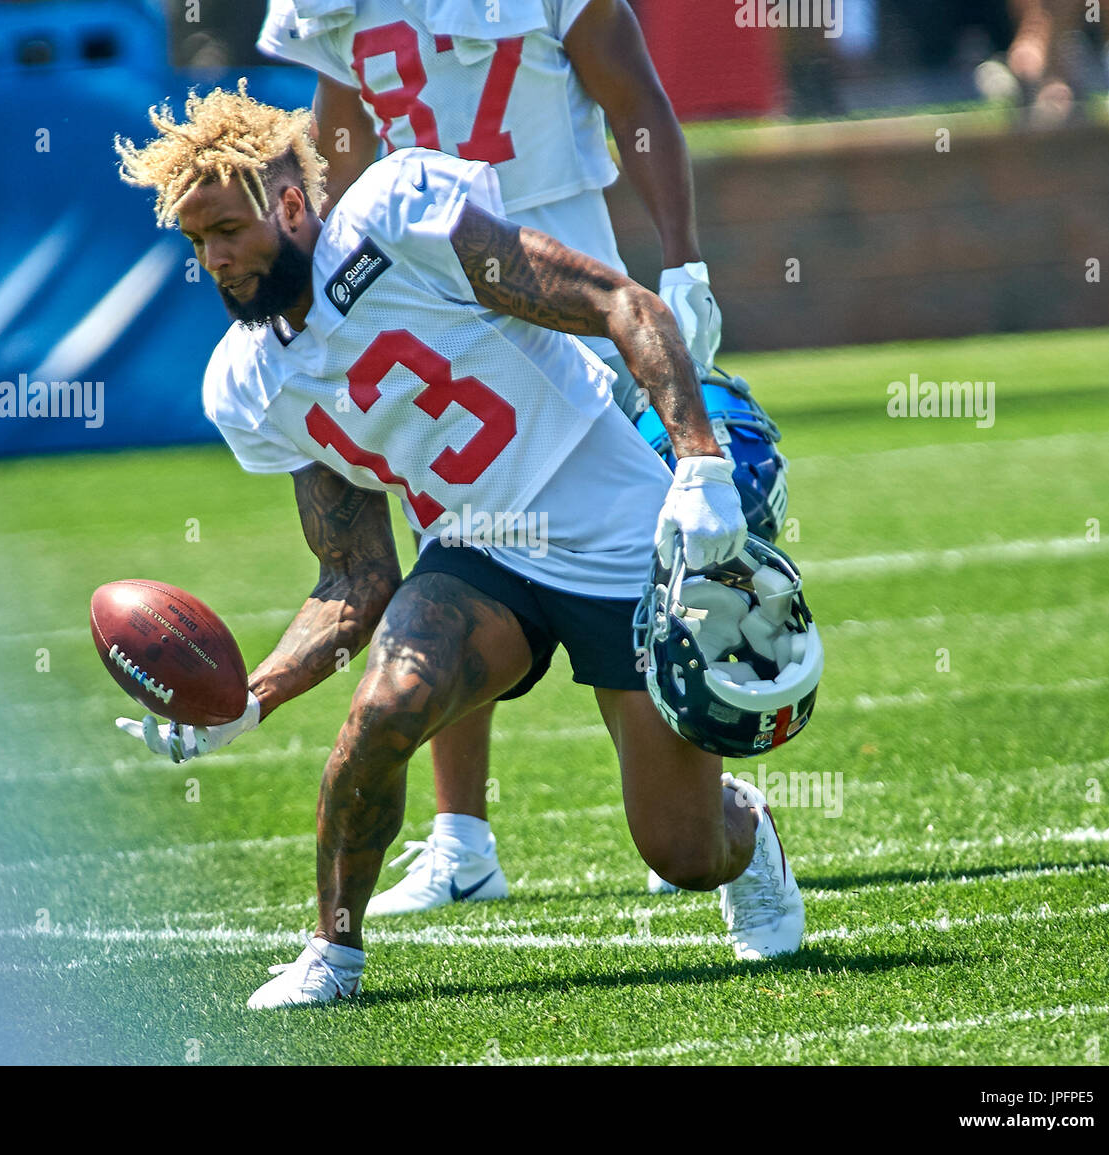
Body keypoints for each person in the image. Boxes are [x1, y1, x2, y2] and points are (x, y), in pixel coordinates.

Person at [112, 83, 807, 1006]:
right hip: (480, 553)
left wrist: (699, 464)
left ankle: (746, 835)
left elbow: (619, 301)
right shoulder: (249, 383)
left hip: (614, 536)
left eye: (228, 230)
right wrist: (254, 696)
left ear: (287, 204)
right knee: (383, 713)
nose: (216, 260)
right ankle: (334, 951)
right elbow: (355, 578)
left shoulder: (395, 220)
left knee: (680, 853)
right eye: (198, 243)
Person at [255, 0, 744, 909]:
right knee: (452, 526)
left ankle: (693, 795)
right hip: (426, 289)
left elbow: (633, 96)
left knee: (643, 542)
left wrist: (682, 259)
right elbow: (339, 151)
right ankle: (461, 838)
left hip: (558, 283)